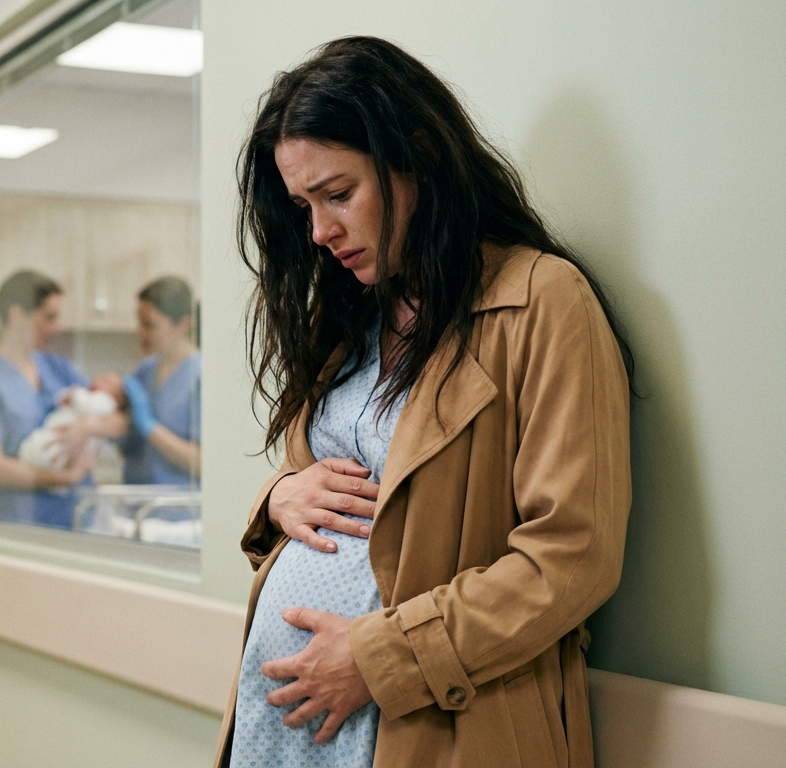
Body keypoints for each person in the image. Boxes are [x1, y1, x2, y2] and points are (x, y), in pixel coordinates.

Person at [218, 37, 632, 768]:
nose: (319, 232)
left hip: (434, 725)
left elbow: (573, 556)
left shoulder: (542, 302)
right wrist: (281, 496)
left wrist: (380, 658)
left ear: (417, 156)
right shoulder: (352, 323)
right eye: (303, 206)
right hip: (290, 731)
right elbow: (340, 489)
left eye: (339, 194)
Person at [0, 270, 125, 529]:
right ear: (16, 315)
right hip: (21, 527)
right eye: (49, 318)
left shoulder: (58, 367)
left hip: (79, 523)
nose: (56, 328)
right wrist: (63, 478)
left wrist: (89, 428)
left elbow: (119, 419)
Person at [120, 276, 201, 487]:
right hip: (137, 507)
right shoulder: (145, 371)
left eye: (150, 325)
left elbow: (205, 462)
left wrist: (150, 428)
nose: (140, 333)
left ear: (183, 324)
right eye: (139, 323)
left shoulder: (200, 376)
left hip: (179, 513)